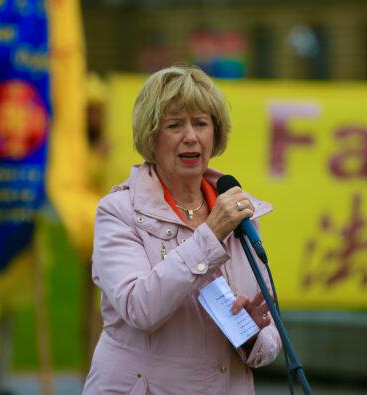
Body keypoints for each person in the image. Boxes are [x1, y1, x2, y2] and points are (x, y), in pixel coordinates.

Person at [82, 65, 282, 394]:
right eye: (175, 125)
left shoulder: (241, 215)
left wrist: (250, 332)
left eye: (201, 123)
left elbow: (270, 339)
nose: (191, 136)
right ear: (151, 136)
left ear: (214, 134)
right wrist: (210, 236)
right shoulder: (118, 212)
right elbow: (139, 309)